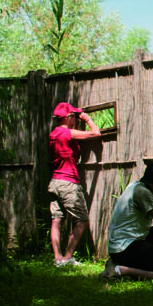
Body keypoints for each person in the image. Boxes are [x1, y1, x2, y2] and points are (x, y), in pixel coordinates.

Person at [48, 102, 101, 267]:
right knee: (82, 220)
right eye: (74, 116)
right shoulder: (67, 133)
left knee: (57, 220)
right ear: (69, 117)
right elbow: (96, 133)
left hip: (54, 182)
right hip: (68, 182)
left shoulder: (53, 134)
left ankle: (58, 258)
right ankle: (67, 257)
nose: (76, 119)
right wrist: (86, 118)